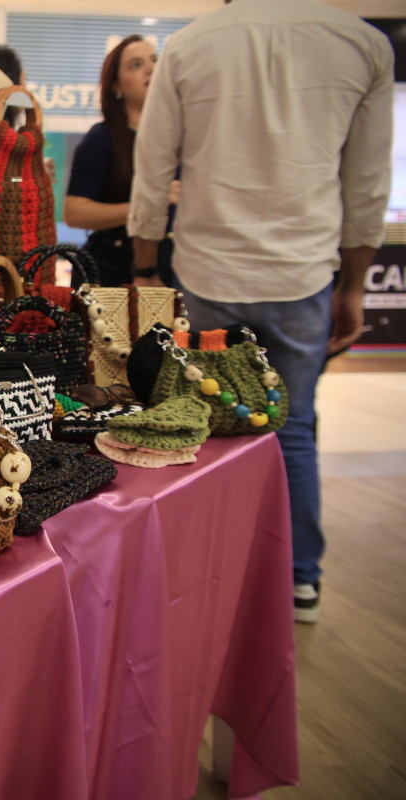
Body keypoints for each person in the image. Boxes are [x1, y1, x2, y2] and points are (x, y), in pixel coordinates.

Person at [127, 0, 393, 623]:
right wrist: (353, 286)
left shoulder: (190, 46)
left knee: (207, 420)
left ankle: (213, 571)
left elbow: (154, 166)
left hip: (210, 268)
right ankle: (298, 579)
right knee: (293, 428)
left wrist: (144, 264)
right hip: (302, 273)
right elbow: (366, 184)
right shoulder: (361, 43)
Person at [66, 35, 179, 287]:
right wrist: (148, 203)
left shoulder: (180, 136)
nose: (151, 69)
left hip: (177, 263)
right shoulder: (101, 138)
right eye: (136, 65)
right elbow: (75, 212)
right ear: (116, 85)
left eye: (154, 60)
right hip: (113, 269)